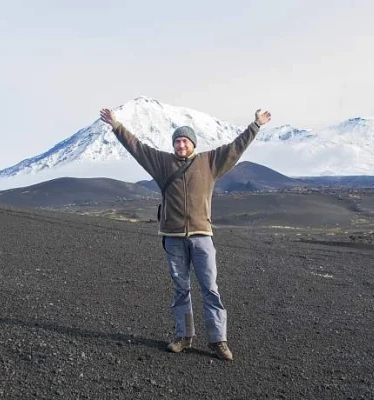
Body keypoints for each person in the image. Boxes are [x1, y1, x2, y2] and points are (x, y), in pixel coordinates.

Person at [99, 107, 272, 361]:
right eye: (177, 141)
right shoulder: (162, 163)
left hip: (202, 235)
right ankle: (184, 336)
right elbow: (137, 147)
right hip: (173, 237)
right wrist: (116, 125)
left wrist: (255, 125)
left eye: (185, 141)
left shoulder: (210, 162)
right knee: (181, 288)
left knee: (210, 288)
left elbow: (236, 148)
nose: (181, 145)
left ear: (193, 143)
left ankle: (219, 340)